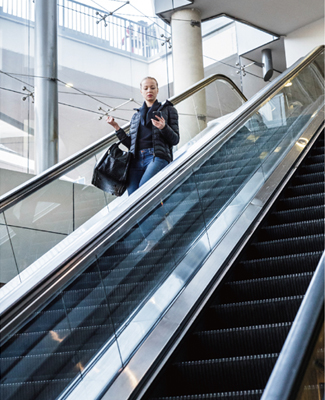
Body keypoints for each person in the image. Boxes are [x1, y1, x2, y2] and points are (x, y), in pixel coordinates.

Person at [106, 76, 179, 196]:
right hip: (136, 160)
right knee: (133, 199)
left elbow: (175, 139)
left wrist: (163, 128)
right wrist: (116, 127)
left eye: (152, 87)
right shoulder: (136, 115)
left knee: (144, 194)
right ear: (141, 92)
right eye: (145, 88)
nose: (149, 91)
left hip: (156, 157)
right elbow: (131, 144)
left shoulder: (168, 110)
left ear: (157, 90)